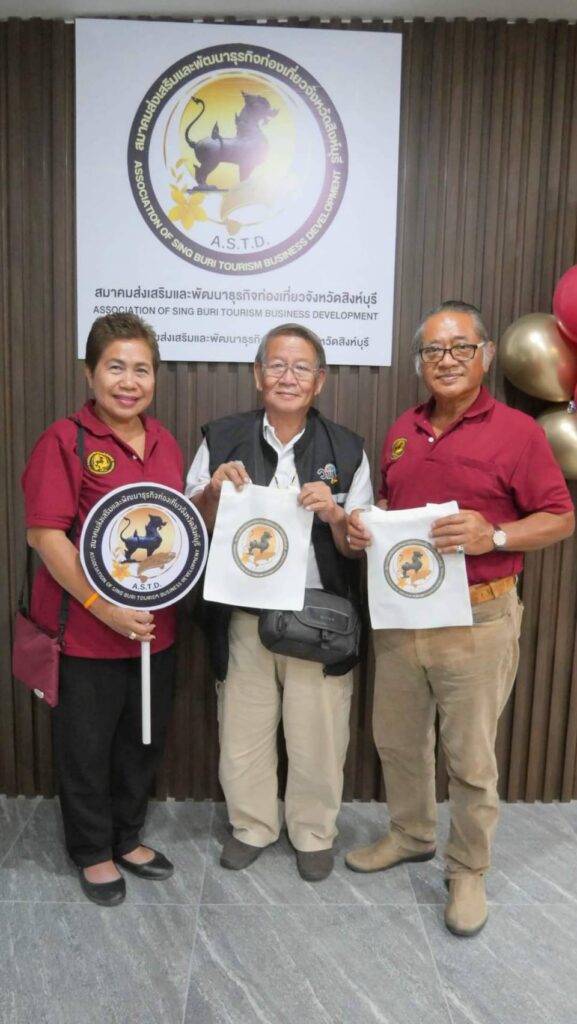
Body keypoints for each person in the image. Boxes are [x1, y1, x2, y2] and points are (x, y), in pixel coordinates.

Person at [345, 300, 574, 935]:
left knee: (470, 757)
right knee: (397, 740)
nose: (445, 360)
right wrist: (369, 526)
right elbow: (394, 502)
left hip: (477, 617)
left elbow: (560, 517)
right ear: (419, 361)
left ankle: (469, 868)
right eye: (433, 351)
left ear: (486, 355)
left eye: (460, 348)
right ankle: (411, 833)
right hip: (402, 613)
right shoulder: (402, 429)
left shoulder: (518, 432)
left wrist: (493, 536)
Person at [186, 324, 373, 881]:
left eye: (301, 368)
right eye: (277, 365)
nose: (288, 377)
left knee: (318, 734)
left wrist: (336, 515)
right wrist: (212, 492)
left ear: (320, 380)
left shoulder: (348, 448)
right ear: (257, 374)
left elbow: (357, 544)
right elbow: (191, 524)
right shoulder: (222, 438)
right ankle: (252, 826)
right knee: (243, 729)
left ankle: (314, 831)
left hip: (319, 619)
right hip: (243, 614)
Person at [22, 313, 184, 907]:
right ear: (89, 373)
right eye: (116, 367)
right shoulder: (64, 440)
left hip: (154, 631)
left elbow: (178, 527)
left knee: (141, 741)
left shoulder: (165, 441)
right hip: (86, 634)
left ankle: (127, 837)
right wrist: (103, 607)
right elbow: (45, 536)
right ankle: (92, 850)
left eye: (142, 369)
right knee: (86, 747)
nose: (129, 382)